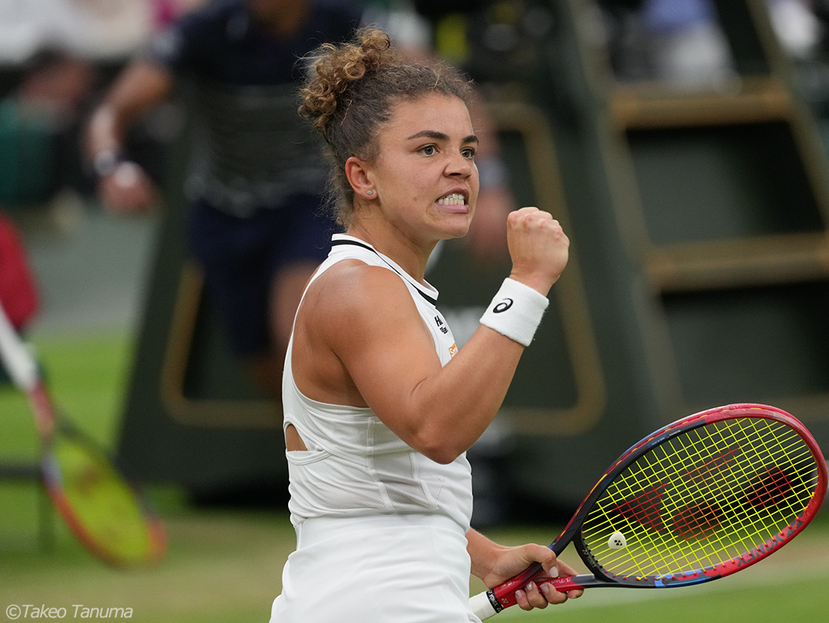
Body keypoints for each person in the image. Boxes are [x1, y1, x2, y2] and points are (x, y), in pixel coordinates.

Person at [268, 27, 581, 621]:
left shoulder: (382, 285)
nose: (459, 169)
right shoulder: (358, 287)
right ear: (363, 177)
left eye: (467, 150)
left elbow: (375, 484)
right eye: (427, 150)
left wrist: (484, 556)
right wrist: (528, 284)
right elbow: (436, 430)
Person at [83, 0, 362, 395]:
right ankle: (311, 451)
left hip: (309, 203)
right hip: (224, 214)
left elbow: (422, 78)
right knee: (265, 364)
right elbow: (110, 113)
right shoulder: (202, 31)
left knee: (299, 333)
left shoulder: (346, 20)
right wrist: (112, 167)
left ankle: (357, 450)